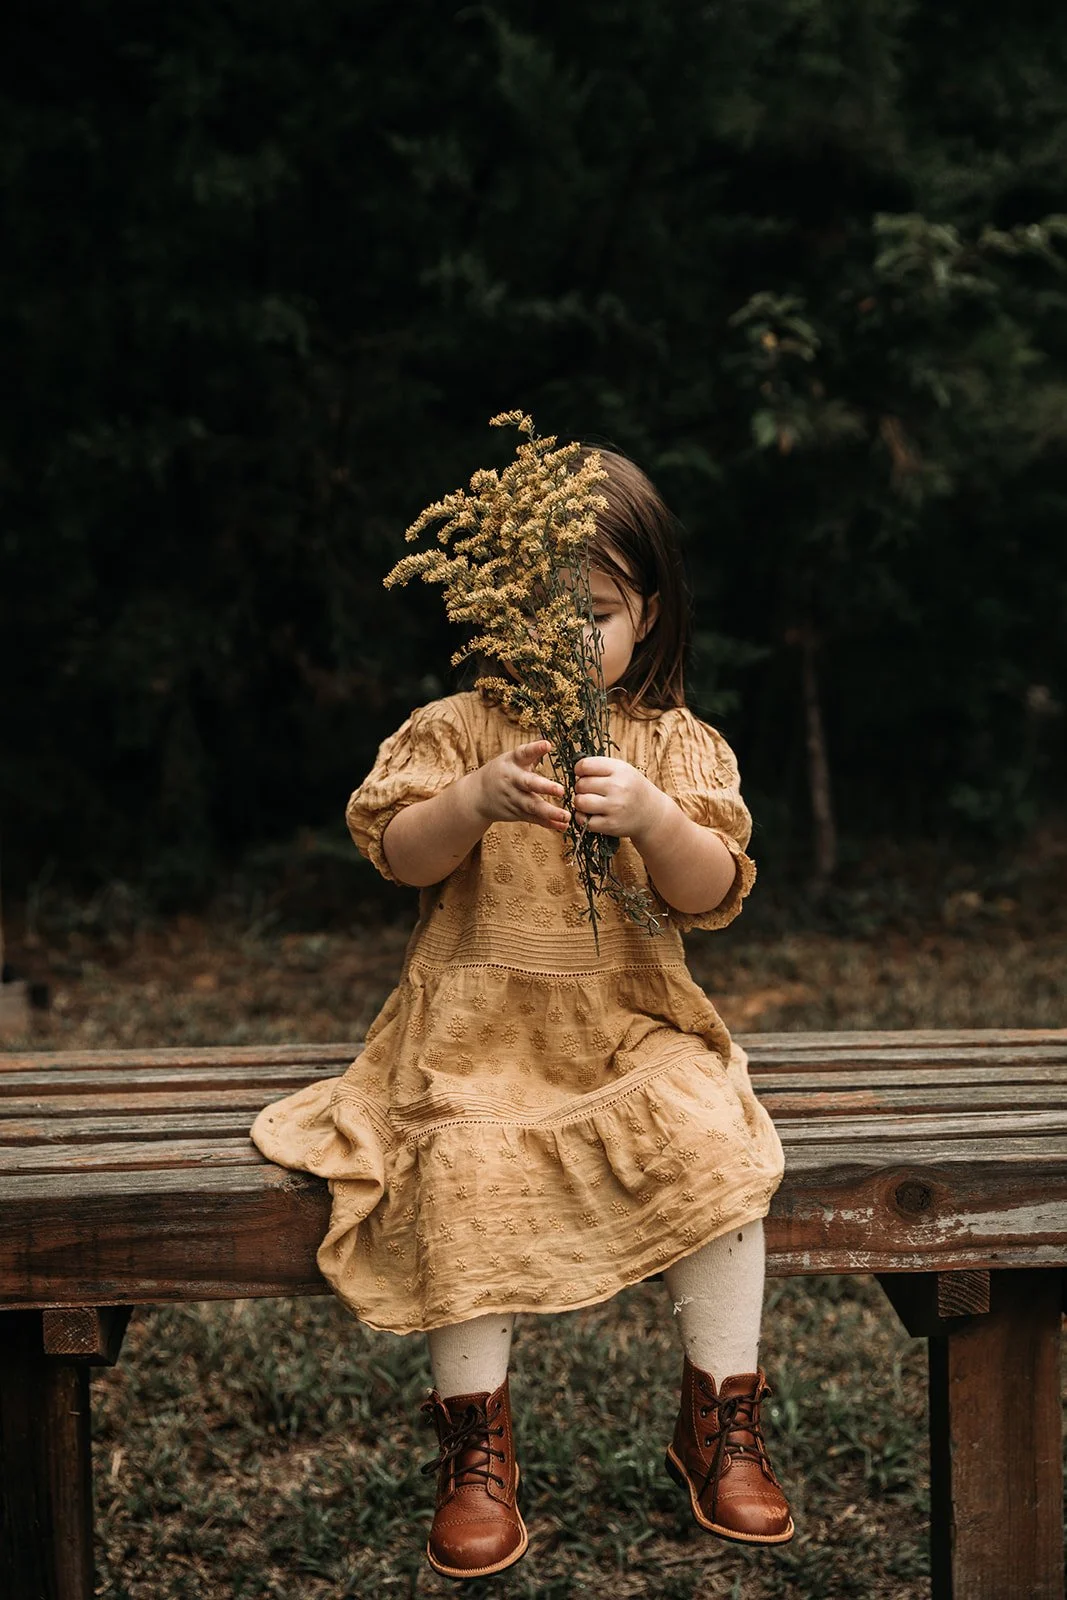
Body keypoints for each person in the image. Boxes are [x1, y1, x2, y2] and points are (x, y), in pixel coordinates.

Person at [251, 447, 792, 1580]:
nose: (563, 640)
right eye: (537, 613)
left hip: (626, 1028)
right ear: (491, 609)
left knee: (715, 1143)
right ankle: (474, 1448)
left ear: (644, 616)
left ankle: (720, 1418)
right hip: (476, 1037)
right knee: (460, 1166)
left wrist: (650, 818)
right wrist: (471, 800)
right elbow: (398, 854)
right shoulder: (457, 730)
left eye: (591, 614)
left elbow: (711, 893)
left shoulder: (671, 743)